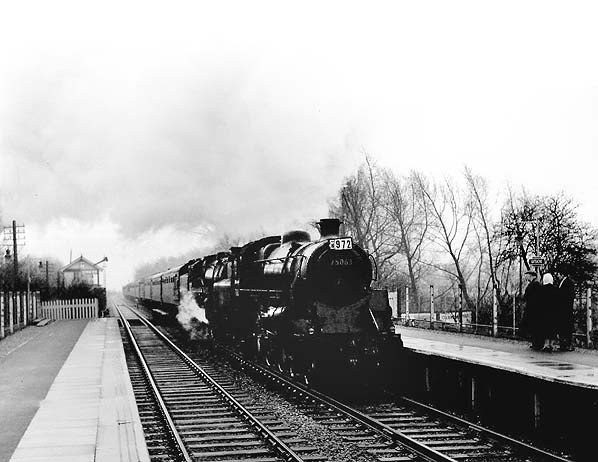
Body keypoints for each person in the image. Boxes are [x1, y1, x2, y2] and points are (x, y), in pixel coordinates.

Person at [538, 272, 560, 351]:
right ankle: (552, 344)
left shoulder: (541, 290)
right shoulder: (556, 289)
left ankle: (546, 344)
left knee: (545, 328)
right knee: (553, 328)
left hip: (544, 312)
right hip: (554, 312)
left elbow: (539, 302)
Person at [522, 270, 543, 350]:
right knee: (533, 327)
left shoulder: (535, 284)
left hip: (534, 309)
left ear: (532, 276)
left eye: (528, 275)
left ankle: (537, 343)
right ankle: (535, 343)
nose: (526, 277)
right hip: (532, 308)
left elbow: (532, 296)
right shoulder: (532, 284)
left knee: (535, 326)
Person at [556, 270, 575, 351]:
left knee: (566, 327)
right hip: (562, 309)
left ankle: (567, 344)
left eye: (558, 274)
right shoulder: (562, 282)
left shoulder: (568, 283)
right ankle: (563, 345)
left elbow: (568, 296)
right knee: (563, 327)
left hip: (566, 309)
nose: (557, 275)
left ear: (562, 274)